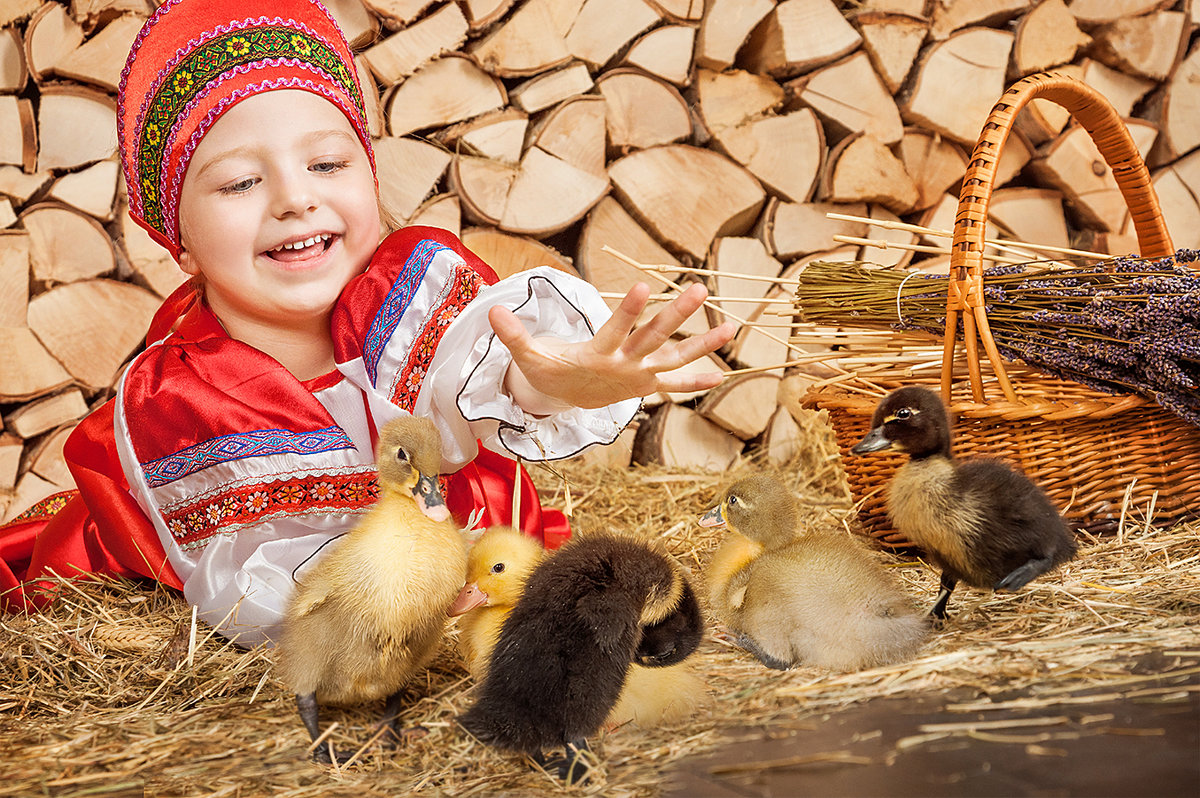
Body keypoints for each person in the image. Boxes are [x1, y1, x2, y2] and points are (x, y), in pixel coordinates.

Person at [0, 0, 734, 647]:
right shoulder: (181, 394)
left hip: (464, 548)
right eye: (241, 182)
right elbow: (242, 573)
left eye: (326, 163)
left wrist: (552, 376)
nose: (295, 200)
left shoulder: (406, 287)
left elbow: (483, 362)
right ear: (178, 238)